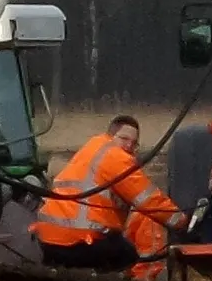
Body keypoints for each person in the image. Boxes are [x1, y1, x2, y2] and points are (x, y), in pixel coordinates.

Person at [32, 114, 178, 272]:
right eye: (124, 138)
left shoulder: (92, 148)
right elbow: (148, 198)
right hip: (77, 238)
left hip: (47, 237)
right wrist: (180, 220)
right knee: (126, 255)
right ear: (111, 135)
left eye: (134, 143)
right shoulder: (115, 156)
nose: (129, 146)